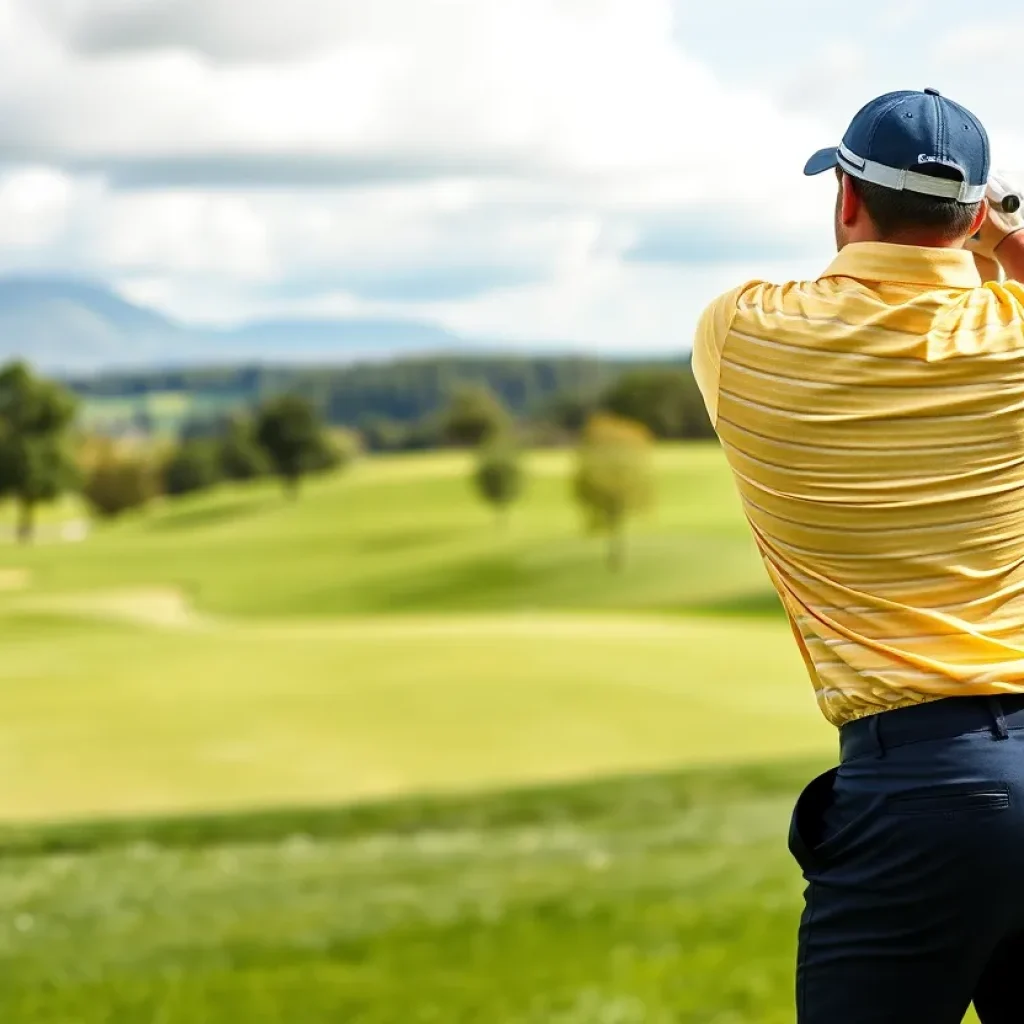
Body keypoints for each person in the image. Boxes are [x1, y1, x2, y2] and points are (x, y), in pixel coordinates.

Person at [692, 88, 1024, 1024]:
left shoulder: (741, 329)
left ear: (846, 199)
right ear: (970, 216)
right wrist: (1004, 236)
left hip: (917, 786)